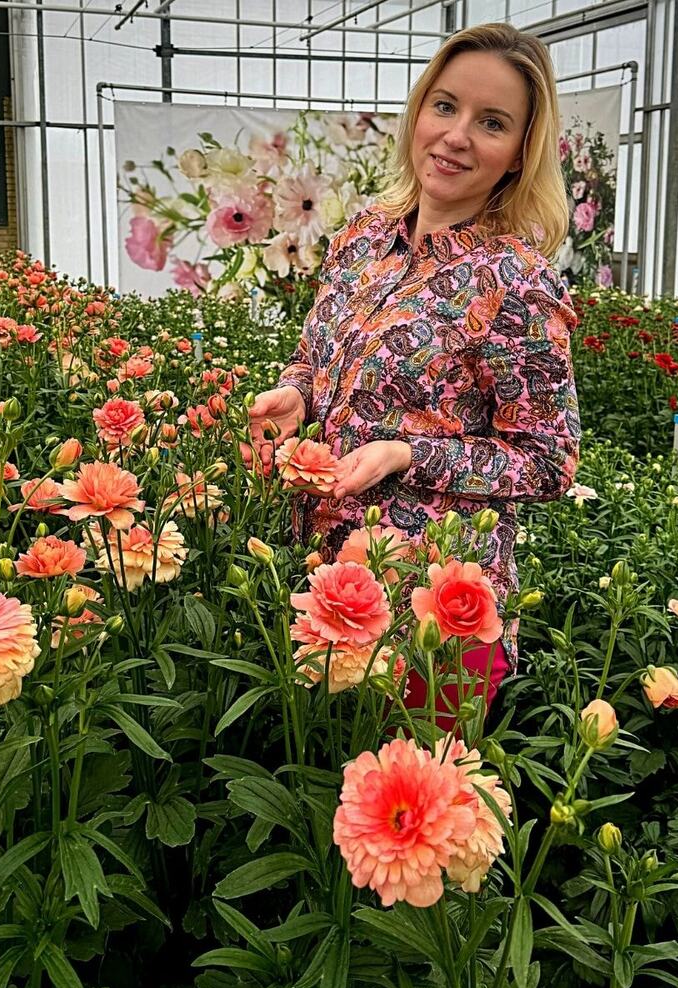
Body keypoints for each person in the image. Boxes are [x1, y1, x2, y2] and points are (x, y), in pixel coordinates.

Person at [247, 22, 581, 727]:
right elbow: (315, 357)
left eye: (492, 122)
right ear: (418, 112)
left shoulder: (516, 282)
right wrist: (295, 394)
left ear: (521, 153)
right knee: (315, 800)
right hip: (320, 580)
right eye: (445, 106)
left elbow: (550, 461)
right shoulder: (366, 237)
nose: (457, 135)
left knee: (412, 816)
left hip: (432, 616)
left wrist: (408, 453)